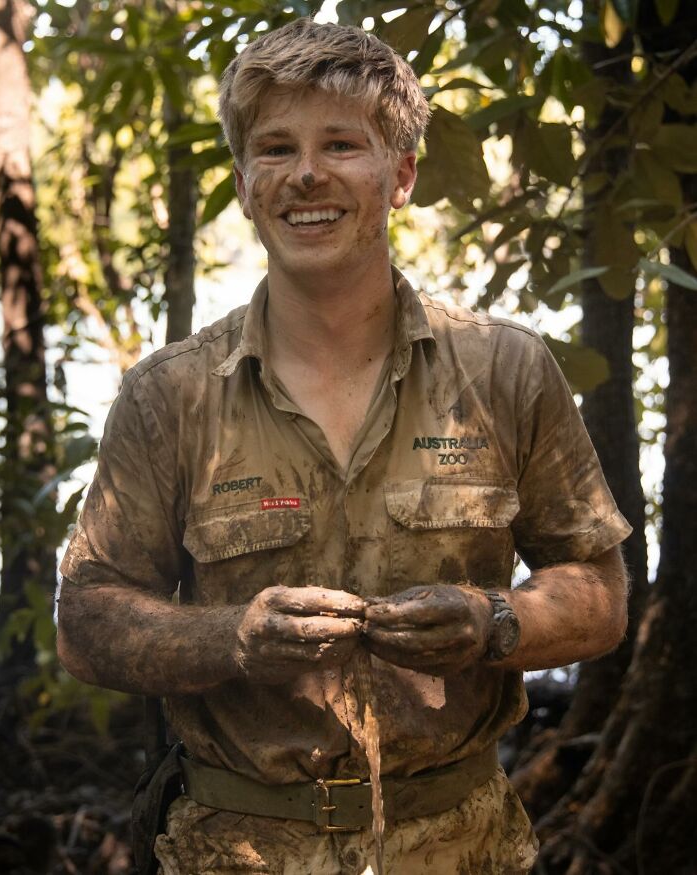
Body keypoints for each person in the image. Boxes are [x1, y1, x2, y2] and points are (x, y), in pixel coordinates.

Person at [57, 18, 631, 875]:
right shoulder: (168, 394)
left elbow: (600, 590)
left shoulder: (505, 368)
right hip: (235, 850)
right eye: (276, 149)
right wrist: (233, 638)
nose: (306, 175)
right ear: (247, 186)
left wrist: (491, 621)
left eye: (341, 144)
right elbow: (87, 616)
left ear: (400, 176)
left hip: (461, 846)